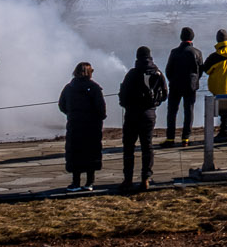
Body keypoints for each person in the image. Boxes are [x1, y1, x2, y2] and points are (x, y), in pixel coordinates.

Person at [117, 46, 168, 193]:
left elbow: (123, 95)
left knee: (128, 147)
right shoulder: (158, 73)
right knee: (147, 146)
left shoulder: (132, 74)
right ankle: (145, 178)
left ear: (137, 58)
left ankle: (128, 180)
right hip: (149, 114)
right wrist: (154, 104)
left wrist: (126, 105)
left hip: (132, 114)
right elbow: (164, 95)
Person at [59, 61, 106, 191]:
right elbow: (101, 108)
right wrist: (99, 118)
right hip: (92, 126)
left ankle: (75, 183)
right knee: (92, 153)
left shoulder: (69, 88)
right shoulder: (95, 88)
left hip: (75, 125)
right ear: (89, 73)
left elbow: (62, 105)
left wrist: (71, 114)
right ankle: (89, 183)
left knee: (75, 153)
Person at [164, 27, 202, 147]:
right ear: (192, 38)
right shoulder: (197, 52)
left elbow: (168, 70)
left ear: (181, 37)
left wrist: (172, 80)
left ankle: (170, 138)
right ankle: (185, 138)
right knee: (188, 111)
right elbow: (200, 70)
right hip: (190, 86)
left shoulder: (174, 52)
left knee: (172, 112)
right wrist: (194, 80)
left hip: (175, 85)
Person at [201, 29, 227, 140]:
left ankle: (223, 133)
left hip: (218, 87)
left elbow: (206, 70)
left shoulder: (214, 57)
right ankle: (224, 131)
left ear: (217, 40)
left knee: (221, 111)